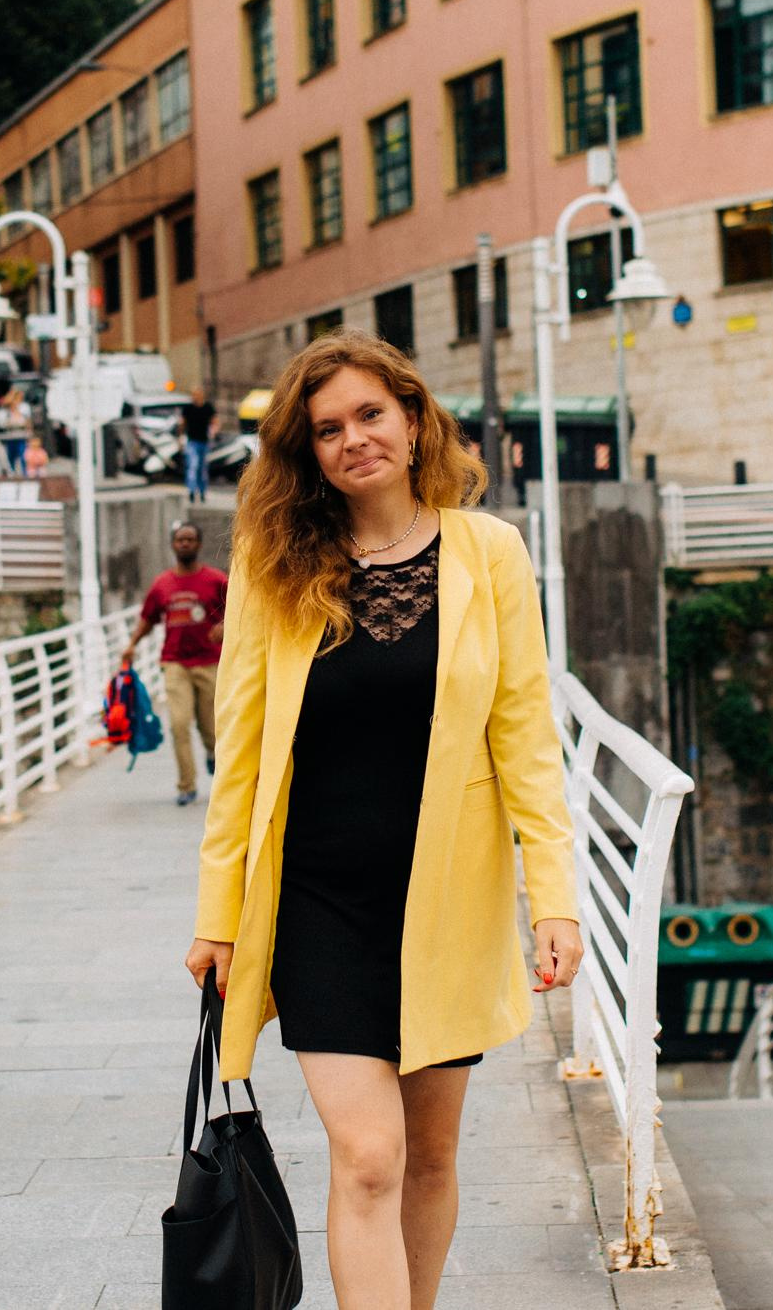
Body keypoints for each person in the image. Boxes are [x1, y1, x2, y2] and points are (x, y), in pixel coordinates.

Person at [183, 329, 583, 1310]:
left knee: (431, 1157)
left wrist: (554, 900)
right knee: (367, 1156)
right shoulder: (271, 561)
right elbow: (237, 751)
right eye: (326, 428)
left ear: (411, 419)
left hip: (447, 900)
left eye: (370, 414)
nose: (353, 438)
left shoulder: (488, 553)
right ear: (305, 452)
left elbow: (523, 733)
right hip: (318, 902)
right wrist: (216, 916)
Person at [120, 522, 227, 807]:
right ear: (173, 545)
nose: (185, 544)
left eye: (190, 539)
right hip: (175, 662)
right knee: (179, 724)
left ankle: (213, 756)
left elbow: (242, 608)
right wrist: (131, 645)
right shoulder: (162, 584)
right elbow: (148, 618)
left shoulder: (215, 580)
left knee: (212, 728)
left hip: (209, 662)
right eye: (180, 539)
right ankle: (186, 785)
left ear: (199, 544)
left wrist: (226, 625)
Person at [179, 386, 218, 503]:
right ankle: (191, 490)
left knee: (202, 468)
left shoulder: (207, 408)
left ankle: (202, 491)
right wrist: (180, 437)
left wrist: (213, 432)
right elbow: (182, 423)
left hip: (204, 441)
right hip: (192, 441)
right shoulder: (188, 408)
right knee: (193, 466)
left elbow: (215, 422)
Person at [0, 386, 31, 477]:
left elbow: (27, 422)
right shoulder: (6, 411)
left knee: (24, 457)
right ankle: (12, 474)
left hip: (21, 436)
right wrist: (11, 394)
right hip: (11, 436)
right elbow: (2, 423)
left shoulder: (24, 408)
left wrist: (29, 432)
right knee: (11, 457)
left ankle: (25, 475)